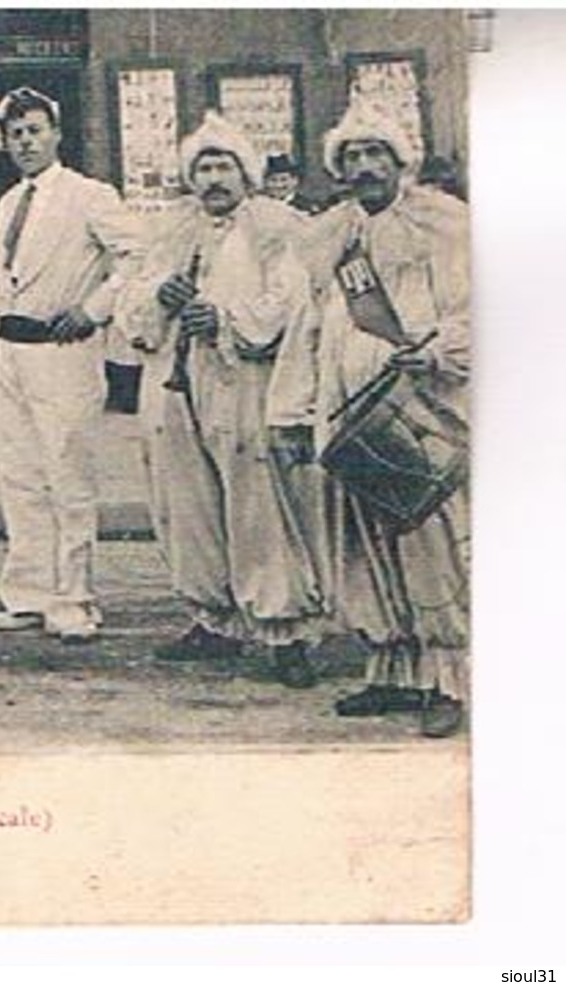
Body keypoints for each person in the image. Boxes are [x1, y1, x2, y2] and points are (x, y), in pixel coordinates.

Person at [267, 102, 471, 738]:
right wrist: (291, 410)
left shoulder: (442, 227)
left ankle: (448, 679)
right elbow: (307, 327)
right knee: (360, 547)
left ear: (400, 161)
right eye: (351, 158)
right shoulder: (333, 237)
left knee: (429, 545)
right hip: (347, 415)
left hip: (418, 409)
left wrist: (437, 349)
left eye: (375, 154)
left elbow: (474, 307)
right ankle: (389, 670)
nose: (364, 167)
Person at [118, 112, 325, 688]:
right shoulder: (167, 230)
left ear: (246, 172)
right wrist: (162, 298)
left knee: (260, 502)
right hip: (174, 381)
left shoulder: (278, 228)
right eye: (204, 167)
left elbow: (292, 301)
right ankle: (213, 619)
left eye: (224, 166)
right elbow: (130, 302)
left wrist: (228, 320)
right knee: (188, 502)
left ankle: (284, 630)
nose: (214, 178)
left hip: (246, 380)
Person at [0, 85, 145, 644]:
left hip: (63, 351)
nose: (26, 142)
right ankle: (29, 594)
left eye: (35, 131)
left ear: (56, 134)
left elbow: (137, 254)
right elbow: (0, 264)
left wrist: (95, 310)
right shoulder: (10, 202)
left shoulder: (89, 194)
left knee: (67, 475)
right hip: (10, 351)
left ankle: (73, 601)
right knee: (20, 475)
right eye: (16, 134)